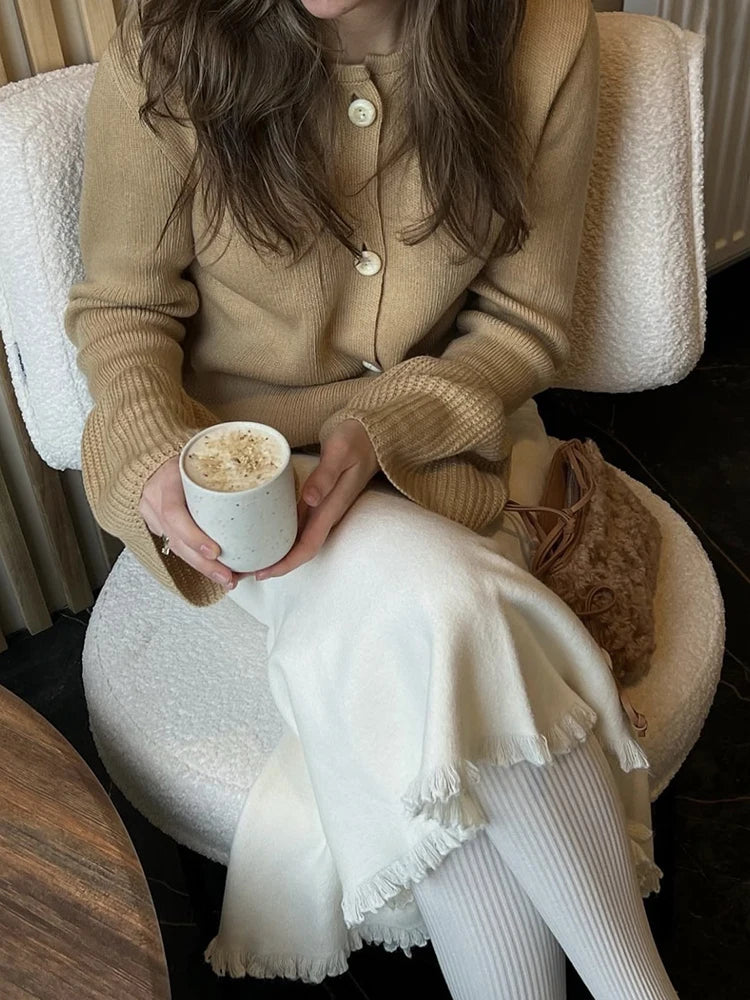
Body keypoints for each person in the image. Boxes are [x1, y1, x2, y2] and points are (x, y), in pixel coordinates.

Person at [64, 0, 680, 996]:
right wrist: (154, 461)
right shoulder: (167, 42)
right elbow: (122, 311)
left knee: (433, 666)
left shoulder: (548, 39)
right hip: (251, 485)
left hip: (438, 450)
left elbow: (524, 323)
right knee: (449, 608)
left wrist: (391, 430)